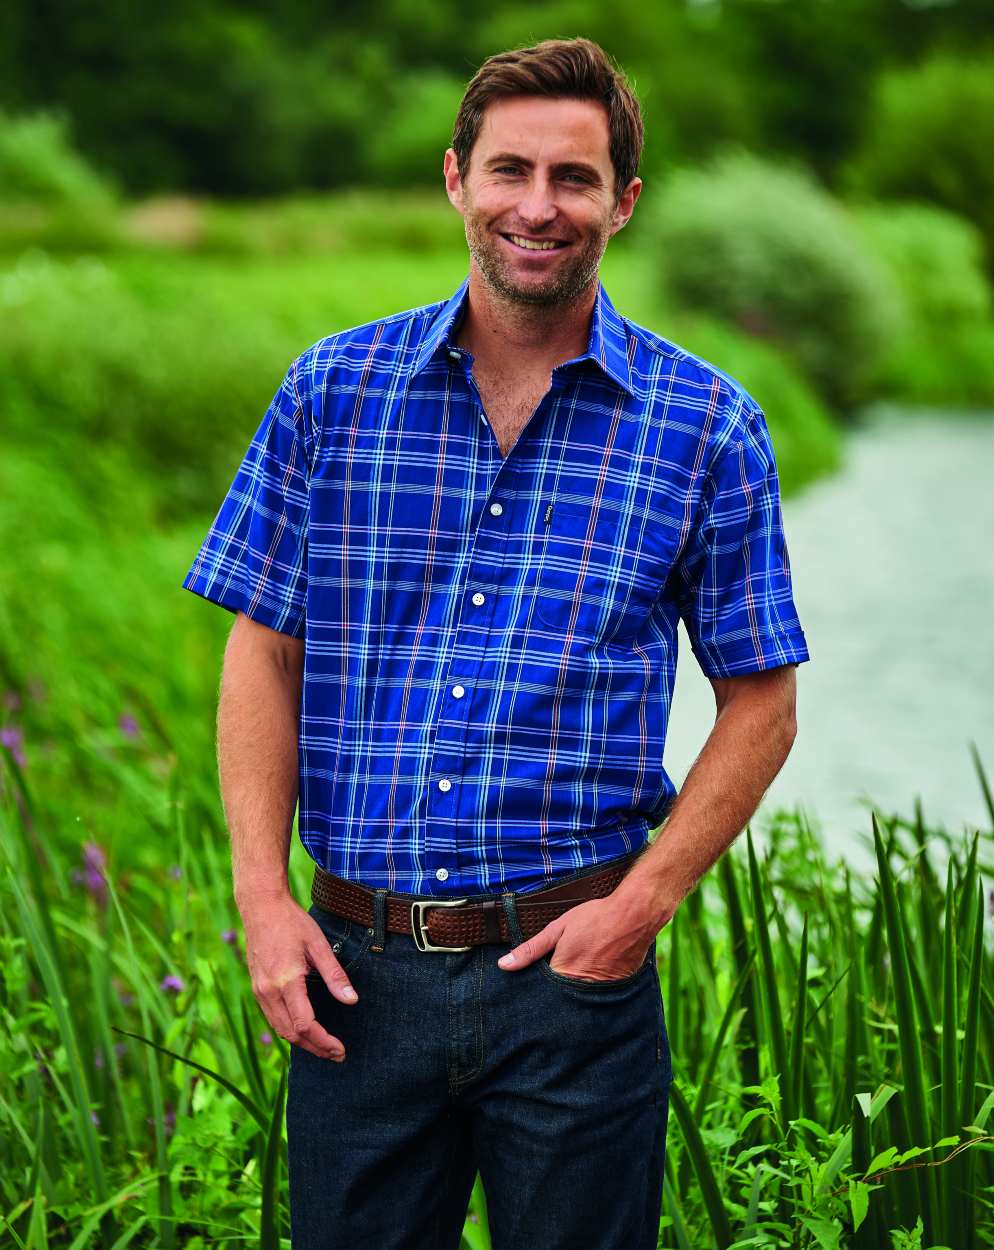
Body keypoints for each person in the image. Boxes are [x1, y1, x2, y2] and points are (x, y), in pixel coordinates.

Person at [182, 35, 810, 1250]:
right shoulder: (332, 391)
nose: (537, 206)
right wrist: (262, 900)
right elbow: (263, 650)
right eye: (508, 169)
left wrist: (643, 904)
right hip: (354, 979)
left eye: (573, 178)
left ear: (621, 202)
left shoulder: (707, 426)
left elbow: (761, 703)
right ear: (455, 179)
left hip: (574, 982)